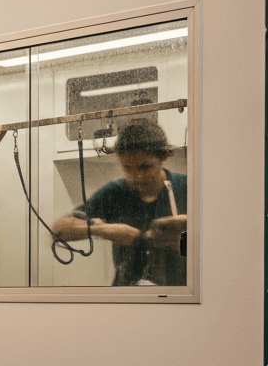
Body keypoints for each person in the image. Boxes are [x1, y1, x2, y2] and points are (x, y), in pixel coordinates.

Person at [51, 121, 187, 286]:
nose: (137, 176)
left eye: (145, 167)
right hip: (126, 296)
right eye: (128, 168)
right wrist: (103, 230)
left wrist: (184, 236)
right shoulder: (116, 192)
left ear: (164, 156)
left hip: (179, 297)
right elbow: (59, 229)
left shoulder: (186, 187)